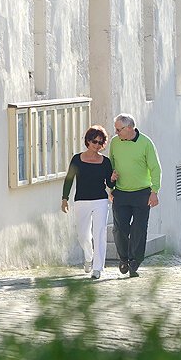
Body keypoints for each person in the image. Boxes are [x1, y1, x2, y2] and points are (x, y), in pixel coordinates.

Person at [108, 113, 161, 278]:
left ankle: (134, 262)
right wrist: (110, 185)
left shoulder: (146, 143)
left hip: (142, 193)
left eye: (119, 129)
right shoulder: (115, 143)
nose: (116, 133)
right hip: (121, 193)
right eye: (116, 129)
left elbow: (155, 168)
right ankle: (123, 258)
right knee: (119, 229)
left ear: (129, 127)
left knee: (139, 229)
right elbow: (111, 165)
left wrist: (154, 191)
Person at [61, 125, 116, 280]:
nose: (96, 145)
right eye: (94, 141)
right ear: (88, 140)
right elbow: (69, 179)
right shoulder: (77, 159)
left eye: (100, 142)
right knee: (83, 235)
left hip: (100, 200)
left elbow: (110, 185)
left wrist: (112, 180)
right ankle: (88, 256)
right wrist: (64, 198)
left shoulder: (105, 162)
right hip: (81, 201)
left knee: (99, 233)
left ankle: (98, 268)